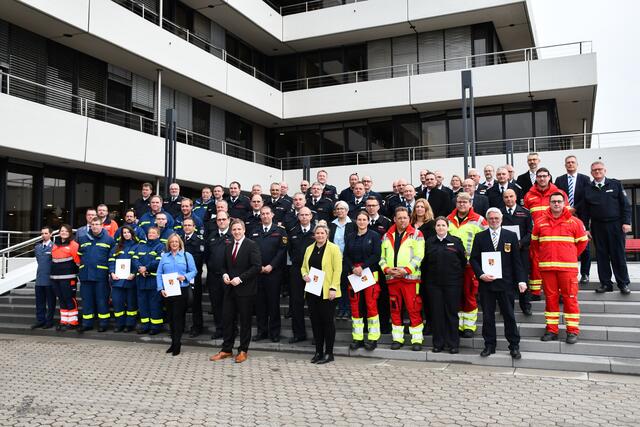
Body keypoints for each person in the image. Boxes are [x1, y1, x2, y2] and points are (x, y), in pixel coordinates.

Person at [470, 208, 527, 359]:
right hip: (486, 284)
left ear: (501, 219)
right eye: (491, 218)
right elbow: (473, 259)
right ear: (487, 220)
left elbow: (517, 261)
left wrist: (521, 280)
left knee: (509, 315)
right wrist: (481, 274)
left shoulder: (511, 236)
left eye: (496, 218)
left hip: (506, 284)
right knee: (488, 316)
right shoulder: (480, 237)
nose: (494, 221)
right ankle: (489, 345)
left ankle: (514, 346)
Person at [532, 193, 588, 343]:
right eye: (553, 202)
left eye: (559, 201)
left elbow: (582, 243)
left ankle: (572, 331)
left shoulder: (575, 222)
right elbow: (535, 244)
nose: (556, 204)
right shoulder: (540, 222)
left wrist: (569, 254)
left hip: (567, 269)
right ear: (549, 204)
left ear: (564, 204)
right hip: (547, 268)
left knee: (570, 299)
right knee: (550, 300)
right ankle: (551, 330)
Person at [210, 220, 262, 364]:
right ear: (231, 231)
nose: (237, 232)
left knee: (244, 322)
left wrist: (240, 278)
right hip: (230, 290)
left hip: (245, 290)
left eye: (239, 229)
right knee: (227, 320)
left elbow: (256, 267)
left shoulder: (251, 245)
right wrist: (224, 275)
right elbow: (224, 266)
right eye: (234, 229)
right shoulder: (228, 246)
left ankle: (243, 350)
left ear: (244, 230)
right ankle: (226, 349)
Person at [583, 161, 632, 294]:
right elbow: (586, 211)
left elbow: (625, 205)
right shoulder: (588, 188)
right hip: (598, 226)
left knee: (618, 255)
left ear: (605, 170)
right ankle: (605, 284)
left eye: (599, 169)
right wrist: (586, 228)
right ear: (591, 173)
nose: (597, 172)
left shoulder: (615, 184)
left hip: (616, 225)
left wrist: (626, 222)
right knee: (601, 255)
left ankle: (623, 283)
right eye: (594, 170)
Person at [379, 207, 425, 351]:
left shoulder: (417, 234)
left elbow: (419, 256)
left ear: (409, 218)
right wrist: (387, 269)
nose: (402, 220)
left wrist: (405, 270)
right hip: (392, 279)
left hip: (410, 279)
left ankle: (417, 340)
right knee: (395, 309)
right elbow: (381, 258)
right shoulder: (387, 235)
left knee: (413, 309)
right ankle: (397, 338)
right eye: (399, 218)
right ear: (394, 219)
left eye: (405, 217)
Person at [447, 192, 488, 338]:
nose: (462, 204)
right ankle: (459, 325)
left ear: (471, 203)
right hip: (452, 266)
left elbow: (487, 241)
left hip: (471, 266)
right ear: (456, 203)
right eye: (459, 201)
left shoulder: (479, 220)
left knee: (469, 295)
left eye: (465, 201)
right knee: (455, 296)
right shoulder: (448, 220)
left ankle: (469, 326)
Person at [422, 217, 466, 353]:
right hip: (434, 285)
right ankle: (438, 344)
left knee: (451, 314)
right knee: (437, 314)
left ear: (448, 227)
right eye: (438, 225)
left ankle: (453, 344)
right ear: (435, 228)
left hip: (452, 284)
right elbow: (425, 264)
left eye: (443, 225)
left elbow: (463, 262)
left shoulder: (456, 242)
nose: (440, 228)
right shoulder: (429, 242)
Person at [524, 167, 567, 300]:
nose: (542, 178)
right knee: (536, 262)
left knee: (557, 264)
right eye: (539, 176)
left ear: (549, 177)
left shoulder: (559, 193)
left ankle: (559, 292)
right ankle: (535, 292)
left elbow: (566, 213)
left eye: (544, 176)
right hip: (537, 234)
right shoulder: (529, 195)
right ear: (536, 178)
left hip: (556, 234)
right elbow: (525, 215)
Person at [302, 223, 343, 364]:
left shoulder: (334, 249)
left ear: (327, 235)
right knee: (315, 322)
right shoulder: (309, 249)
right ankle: (318, 352)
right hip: (313, 290)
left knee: (327, 322)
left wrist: (333, 288)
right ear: (314, 235)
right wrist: (304, 275)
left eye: (322, 233)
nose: (319, 235)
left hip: (327, 292)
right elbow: (303, 267)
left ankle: (329, 353)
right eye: (317, 233)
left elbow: (338, 270)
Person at [344, 212, 382, 350]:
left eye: (364, 219)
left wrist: (362, 267)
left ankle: (372, 338)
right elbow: (346, 255)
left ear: (368, 221)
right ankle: (358, 338)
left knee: (371, 305)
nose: (361, 222)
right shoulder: (350, 237)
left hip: (369, 274)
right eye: (359, 219)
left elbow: (376, 255)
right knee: (355, 307)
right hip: (354, 274)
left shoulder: (374, 236)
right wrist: (353, 267)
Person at [251, 206, 287, 342]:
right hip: (258, 272)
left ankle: (274, 332)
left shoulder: (280, 231)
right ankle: (262, 331)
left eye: (267, 213)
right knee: (260, 304)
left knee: (273, 303)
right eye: (262, 214)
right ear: (260, 216)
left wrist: (271, 265)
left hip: (274, 273)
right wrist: (258, 266)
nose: (265, 216)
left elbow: (282, 251)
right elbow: (252, 250)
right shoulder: (254, 231)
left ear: (272, 215)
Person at [157, 234, 197, 356]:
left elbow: (194, 271)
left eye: (176, 242)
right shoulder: (165, 257)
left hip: (181, 291)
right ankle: (173, 343)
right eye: (172, 242)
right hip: (168, 292)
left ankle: (177, 344)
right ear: (168, 244)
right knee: (170, 318)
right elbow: (159, 273)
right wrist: (160, 288)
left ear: (180, 243)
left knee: (178, 318)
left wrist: (185, 277)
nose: (174, 244)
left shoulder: (187, 256)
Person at [555, 155, 592, 284]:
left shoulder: (585, 179)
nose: (570, 164)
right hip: (564, 217)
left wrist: (575, 208)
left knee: (584, 246)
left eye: (572, 162)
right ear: (565, 165)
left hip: (581, 215)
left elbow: (587, 197)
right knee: (566, 246)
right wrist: (566, 209)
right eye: (568, 163)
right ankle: (568, 273)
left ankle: (585, 274)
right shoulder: (559, 180)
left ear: (577, 164)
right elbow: (557, 196)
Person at [77, 217, 115, 333]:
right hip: (86, 275)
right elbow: (79, 256)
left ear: (101, 225)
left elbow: (112, 258)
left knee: (102, 300)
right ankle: (87, 323)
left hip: (100, 276)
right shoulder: (83, 239)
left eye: (97, 224)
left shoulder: (109, 240)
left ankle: (103, 324)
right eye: (93, 224)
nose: (95, 226)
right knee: (87, 300)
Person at [501, 189, 533, 315]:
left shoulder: (525, 212)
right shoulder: (499, 213)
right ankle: (507, 308)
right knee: (506, 278)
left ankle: (525, 305)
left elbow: (531, 232)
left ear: (515, 197)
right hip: (505, 250)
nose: (509, 199)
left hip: (521, 250)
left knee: (523, 277)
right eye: (506, 197)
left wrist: (521, 243)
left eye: (511, 196)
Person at [287, 207, 315, 344]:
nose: (304, 217)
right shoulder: (293, 231)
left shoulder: (317, 231)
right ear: (298, 217)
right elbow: (290, 251)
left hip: (314, 271)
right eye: (301, 215)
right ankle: (298, 334)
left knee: (315, 304)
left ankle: (317, 335)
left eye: (306, 214)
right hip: (297, 270)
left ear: (311, 216)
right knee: (296, 303)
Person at [366, 196, 392, 335]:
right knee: (367, 298)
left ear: (378, 206)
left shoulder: (386, 222)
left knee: (382, 297)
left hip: (381, 266)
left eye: (373, 205)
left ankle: (384, 324)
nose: (371, 208)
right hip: (366, 267)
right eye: (368, 205)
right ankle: (368, 325)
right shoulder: (361, 221)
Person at [205, 212, 233, 339]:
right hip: (214, 276)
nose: (221, 222)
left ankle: (232, 329)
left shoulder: (233, 235)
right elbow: (207, 255)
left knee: (229, 305)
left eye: (223, 219)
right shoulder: (212, 236)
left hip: (228, 277)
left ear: (228, 220)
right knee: (216, 304)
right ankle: (219, 329)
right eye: (219, 220)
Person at [132, 226, 164, 335]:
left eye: (153, 233)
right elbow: (135, 259)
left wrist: (146, 268)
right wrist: (140, 268)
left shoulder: (161, 247)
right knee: (143, 304)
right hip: (141, 280)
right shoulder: (140, 246)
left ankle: (155, 326)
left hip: (153, 280)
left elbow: (159, 261)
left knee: (154, 304)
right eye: (149, 232)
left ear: (158, 235)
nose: (151, 234)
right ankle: (145, 325)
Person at [108, 225, 139, 332]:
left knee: (131, 304)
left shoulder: (137, 246)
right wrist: (112, 272)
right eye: (124, 233)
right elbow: (111, 260)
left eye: (128, 232)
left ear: (132, 233)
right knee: (117, 303)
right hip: (117, 280)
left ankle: (129, 325)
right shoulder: (117, 247)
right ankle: (119, 324)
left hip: (130, 280)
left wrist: (134, 273)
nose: (126, 234)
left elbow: (138, 262)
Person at [412, 198, 436, 332]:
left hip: (426, 266)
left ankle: (429, 323)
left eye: (422, 207)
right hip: (411, 267)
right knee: (414, 297)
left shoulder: (432, 224)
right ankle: (416, 322)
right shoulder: (410, 224)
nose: (419, 209)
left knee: (427, 296)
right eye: (417, 207)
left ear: (426, 209)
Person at [50, 224, 80, 331]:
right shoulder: (55, 245)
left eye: (66, 231)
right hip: (55, 278)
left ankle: (73, 321)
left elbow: (78, 262)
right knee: (61, 299)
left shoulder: (74, 245)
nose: (64, 233)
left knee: (69, 299)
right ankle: (64, 321)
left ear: (70, 233)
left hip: (68, 278)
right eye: (62, 231)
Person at [329, 200, 355, 319]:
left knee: (347, 285)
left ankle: (348, 309)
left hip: (348, 260)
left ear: (347, 211)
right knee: (337, 284)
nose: (340, 211)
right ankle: (340, 308)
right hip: (334, 260)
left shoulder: (353, 224)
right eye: (338, 209)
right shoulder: (331, 224)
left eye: (342, 209)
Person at [182, 218, 205, 337]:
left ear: (194, 226)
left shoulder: (199, 241)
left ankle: (197, 327)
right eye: (185, 225)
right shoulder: (180, 239)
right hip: (180, 277)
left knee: (195, 303)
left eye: (189, 225)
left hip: (193, 277)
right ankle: (180, 327)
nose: (187, 227)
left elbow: (198, 260)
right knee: (181, 303)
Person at [33, 226, 55, 329]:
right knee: (39, 302)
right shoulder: (37, 247)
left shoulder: (54, 247)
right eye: (42, 233)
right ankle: (40, 320)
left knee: (50, 302)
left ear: (51, 234)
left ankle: (49, 321)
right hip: (39, 279)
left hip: (50, 280)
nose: (43, 235)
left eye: (46, 233)